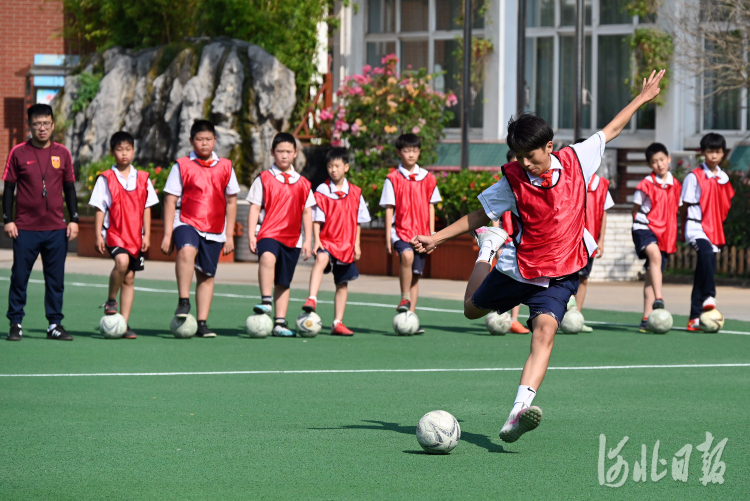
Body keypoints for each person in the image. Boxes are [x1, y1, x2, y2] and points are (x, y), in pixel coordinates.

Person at [410, 70, 665, 443]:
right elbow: (481, 214)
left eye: (531, 156)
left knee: (544, 332)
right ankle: (488, 250)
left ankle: (517, 412)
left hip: (563, 273)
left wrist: (642, 99)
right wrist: (436, 238)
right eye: (520, 157)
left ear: (549, 147)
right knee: (471, 309)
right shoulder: (513, 180)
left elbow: (611, 129)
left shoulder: (577, 158)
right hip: (521, 268)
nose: (526, 163)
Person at [3, 104, 79, 341]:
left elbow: (69, 188)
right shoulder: (18, 152)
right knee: (19, 277)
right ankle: (16, 323)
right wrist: (8, 219)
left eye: (46, 123)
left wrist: (74, 219)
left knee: (56, 279)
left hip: (56, 229)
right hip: (25, 228)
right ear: (30, 126)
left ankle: (54, 324)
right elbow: (8, 188)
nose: (42, 128)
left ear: (53, 125)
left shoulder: (63, 153)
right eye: (37, 124)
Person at [161, 120, 239, 337]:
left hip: (214, 228)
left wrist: (230, 235)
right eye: (199, 139)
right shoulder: (182, 165)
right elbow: (169, 200)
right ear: (191, 141)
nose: (204, 144)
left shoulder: (226, 166)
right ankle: (183, 301)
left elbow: (231, 201)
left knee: (207, 276)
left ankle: (202, 323)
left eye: (208, 139)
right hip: (186, 221)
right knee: (186, 250)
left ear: (214, 140)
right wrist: (167, 234)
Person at [89, 131, 159, 339]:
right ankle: (111, 300)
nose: (124, 154)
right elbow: (99, 208)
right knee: (121, 262)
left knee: (129, 278)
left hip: (135, 236)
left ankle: (124, 323)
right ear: (112, 152)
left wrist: (146, 235)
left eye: (128, 149)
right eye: (119, 150)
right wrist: (97, 235)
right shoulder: (106, 178)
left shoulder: (143, 178)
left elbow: (147, 207)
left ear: (134, 151)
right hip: (114, 233)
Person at [248, 132, 315, 337]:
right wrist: (251, 234)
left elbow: (307, 211)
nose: (284, 156)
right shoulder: (264, 179)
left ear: (295, 154)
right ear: (272, 153)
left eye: (288, 152)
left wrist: (308, 239)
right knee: (267, 258)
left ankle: (279, 323)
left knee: (284, 282)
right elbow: (254, 207)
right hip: (268, 232)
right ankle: (266, 301)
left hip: (293, 238)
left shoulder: (303, 183)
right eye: (280, 152)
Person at [302, 147, 371, 335]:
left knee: (342, 283)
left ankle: (337, 322)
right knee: (321, 259)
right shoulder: (322, 190)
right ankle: (312, 299)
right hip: (328, 240)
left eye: (337, 166)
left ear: (346, 167)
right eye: (330, 166)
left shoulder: (355, 193)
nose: (333, 170)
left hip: (347, 244)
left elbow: (358, 222)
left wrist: (356, 244)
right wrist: (317, 240)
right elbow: (317, 219)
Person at [379, 133, 441, 333]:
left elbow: (432, 206)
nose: (411, 154)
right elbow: (389, 208)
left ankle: (410, 317)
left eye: (414, 150)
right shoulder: (393, 178)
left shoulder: (429, 178)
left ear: (420, 152)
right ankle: (404, 296)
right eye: (407, 150)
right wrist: (389, 234)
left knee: (415, 275)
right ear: (399, 153)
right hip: (401, 232)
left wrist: (432, 234)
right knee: (406, 256)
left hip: (422, 234)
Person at [679, 133, 735, 331]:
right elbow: (684, 205)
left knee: (702, 270)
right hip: (696, 227)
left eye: (718, 152)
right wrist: (683, 227)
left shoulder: (723, 178)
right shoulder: (694, 177)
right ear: (702, 153)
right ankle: (710, 295)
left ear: (723, 154)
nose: (713, 156)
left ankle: (694, 317)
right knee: (706, 254)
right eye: (710, 151)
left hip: (713, 228)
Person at [631, 142, 682, 332]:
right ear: (649, 165)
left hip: (665, 233)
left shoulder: (676, 185)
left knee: (652, 276)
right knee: (655, 257)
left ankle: (646, 318)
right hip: (644, 227)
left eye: (662, 160)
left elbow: (677, 209)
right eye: (654, 162)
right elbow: (635, 210)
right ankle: (659, 299)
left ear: (669, 160)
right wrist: (639, 225)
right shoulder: (645, 184)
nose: (659, 164)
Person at [575, 143, 615, 332]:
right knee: (566, 277)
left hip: (589, 241)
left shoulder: (602, 184)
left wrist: (601, 240)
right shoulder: (570, 181)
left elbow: (604, 213)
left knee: (583, 277)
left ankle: (576, 316)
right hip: (570, 239)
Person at [498, 149, 529, 334]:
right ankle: (500, 313)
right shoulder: (504, 185)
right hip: (504, 238)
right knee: (505, 278)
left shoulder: (528, 186)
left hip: (520, 240)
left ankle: (514, 319)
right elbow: (494, 214)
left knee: (517, 278)